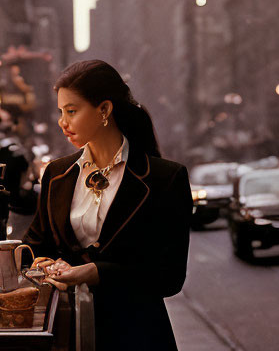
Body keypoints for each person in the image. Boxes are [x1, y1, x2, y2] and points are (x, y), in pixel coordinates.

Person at [24, 59, 191, 351]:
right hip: (65, 331)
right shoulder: (56, 174)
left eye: (72, 111)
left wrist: (97, 272)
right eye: (61, 112)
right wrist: (43, 263)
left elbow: (169, 276)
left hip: (138, 333)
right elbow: (35, 246)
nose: (63, 122)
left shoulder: (165, 178)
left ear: (104, 109)